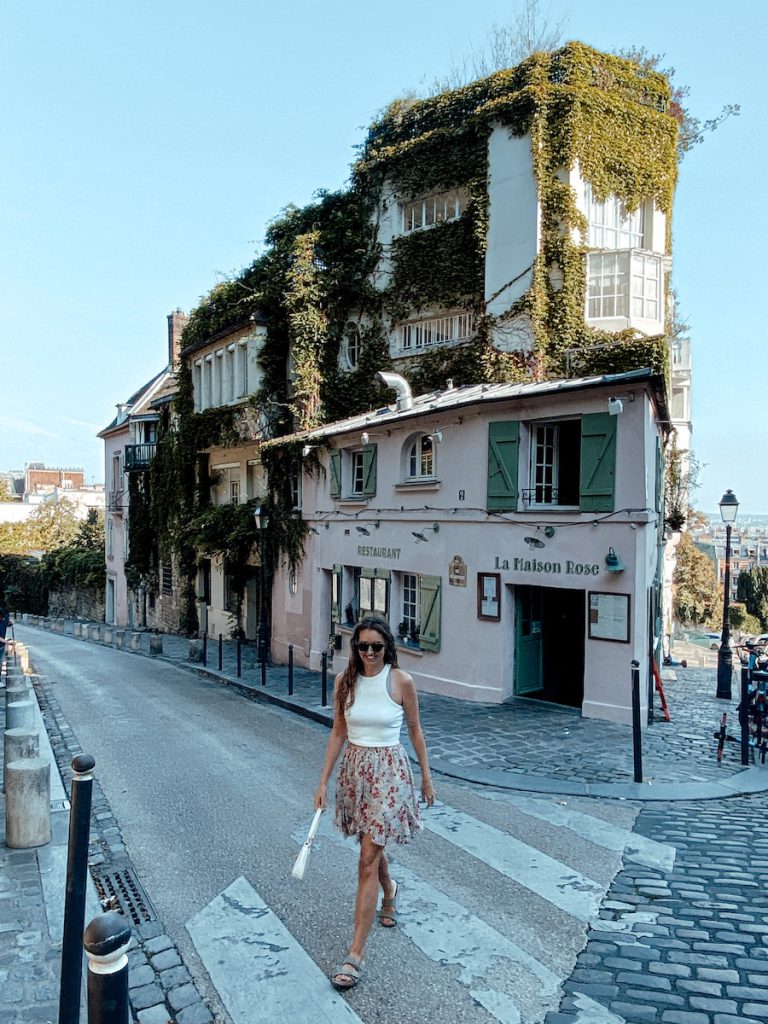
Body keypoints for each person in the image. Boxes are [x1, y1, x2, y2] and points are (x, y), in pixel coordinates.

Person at [314, 615, 435, 991]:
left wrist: (427, 778)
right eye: (362, 646)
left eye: (376, 647)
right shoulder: (344, 682)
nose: (369, 653)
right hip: (355, 771)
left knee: (366, 859)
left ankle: (355, 955)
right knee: (370, 847)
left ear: (388, 648)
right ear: (356, 648)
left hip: (389, 775)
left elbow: (415, 730)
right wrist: (322, 782)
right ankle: (391, 891)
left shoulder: (401, 682)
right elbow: (337, 732)